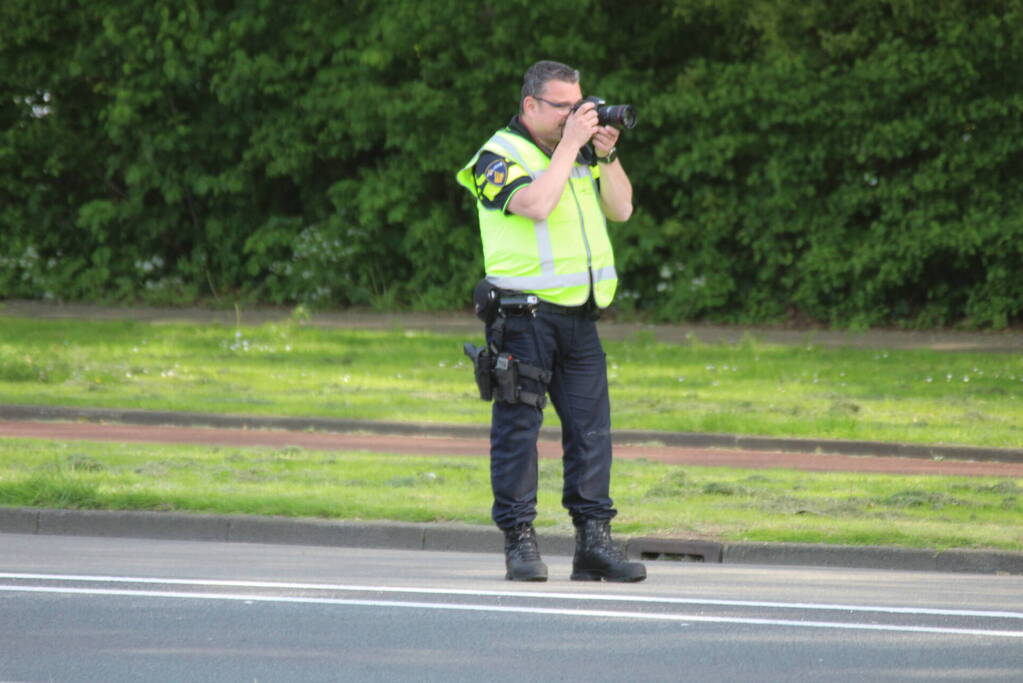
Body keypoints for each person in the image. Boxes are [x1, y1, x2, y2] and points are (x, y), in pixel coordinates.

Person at [456, 60, 646, 583]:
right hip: (522, 319)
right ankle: (520, 543)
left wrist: (605, 154)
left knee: (591, 434)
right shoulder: (495, 156)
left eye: (578, 103)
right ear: (530, 106)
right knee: (519, 431)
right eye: (563, 106)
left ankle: (593, 544)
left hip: (579, 318)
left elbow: (623, 209)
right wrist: (569, 148)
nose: (575, 114)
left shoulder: (582, 156)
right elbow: (536, 205)